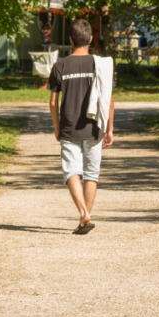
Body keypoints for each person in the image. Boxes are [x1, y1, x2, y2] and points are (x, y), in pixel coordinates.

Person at [48, 18, 114, 234]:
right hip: (95, 128)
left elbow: (53, 102)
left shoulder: (60, 66)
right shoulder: (100, 65)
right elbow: (108, 100)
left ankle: (83, 212)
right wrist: (110, 128)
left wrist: (56, 127)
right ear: (91, 39)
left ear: (70, 39)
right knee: (91, 174)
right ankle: (85, 217)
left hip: (69, 128)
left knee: (72, 171)